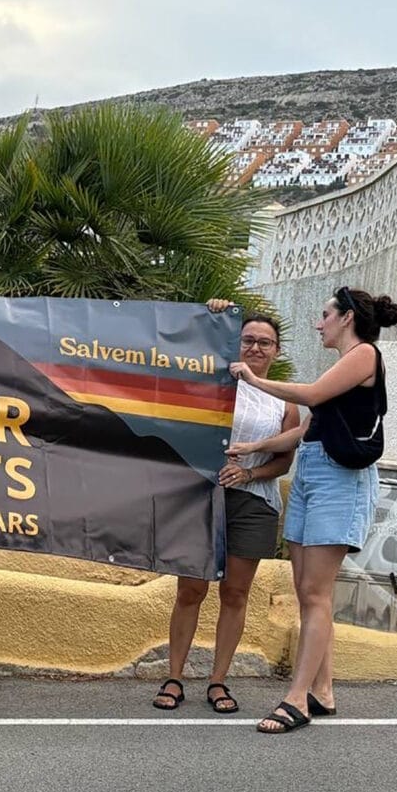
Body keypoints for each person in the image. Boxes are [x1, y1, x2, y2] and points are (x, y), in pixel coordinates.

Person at [226, 286, 397, 734]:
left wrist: (254, 379)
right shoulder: (343, 365)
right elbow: (306, 430)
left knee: (315, 592)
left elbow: (308, 395)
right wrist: (257, 447)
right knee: (307, 590)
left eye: (325, 314)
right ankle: (322, 691)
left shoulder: (364, 355)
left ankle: (295, 699)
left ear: (346, 318)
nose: (318, 322)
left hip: (340, 480)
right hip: (312, 472)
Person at [153, 304, 299, 714]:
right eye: (248, 339)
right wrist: (214, 312)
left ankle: (218, 681)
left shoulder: (285, 403)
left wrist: (250, 475)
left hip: (254, 502)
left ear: (277, 351)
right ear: (236, 342)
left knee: (235, 593)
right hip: (200, 496)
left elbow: (285, 460)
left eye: (264, 342)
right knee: (190, 589)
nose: (255, 347)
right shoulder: (212, 383)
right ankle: (174, 676)